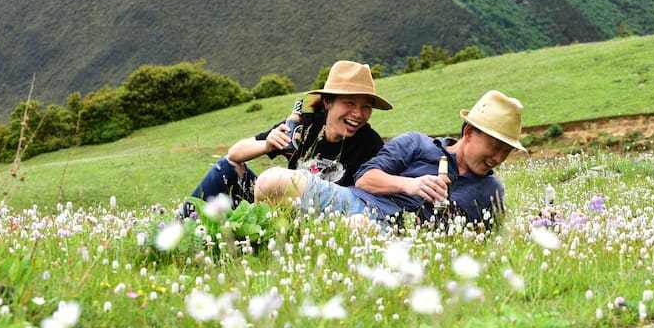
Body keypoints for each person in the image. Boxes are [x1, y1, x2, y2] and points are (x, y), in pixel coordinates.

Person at [254, 90, 526, 229]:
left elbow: (483, 245)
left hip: (395, 234)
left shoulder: (491, 192)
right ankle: (267, 241)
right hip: (357, 201)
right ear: (468, 132)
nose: (498, 158)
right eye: (494, 146)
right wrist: (411, 185)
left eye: (506, 151)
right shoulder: (416, 143)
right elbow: (364, 178)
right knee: (271, 181)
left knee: (358, 229)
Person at [182, 61, 390, 217]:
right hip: (276, 204)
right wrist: (267, 144)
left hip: (320, 216)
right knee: (226, 169)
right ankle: (180, 226)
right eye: (350, 103)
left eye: (366, 107)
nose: (358, 114)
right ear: (328, 102)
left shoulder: (370, 143)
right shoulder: (304, 126)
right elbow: (235, 153)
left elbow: (368, 197)